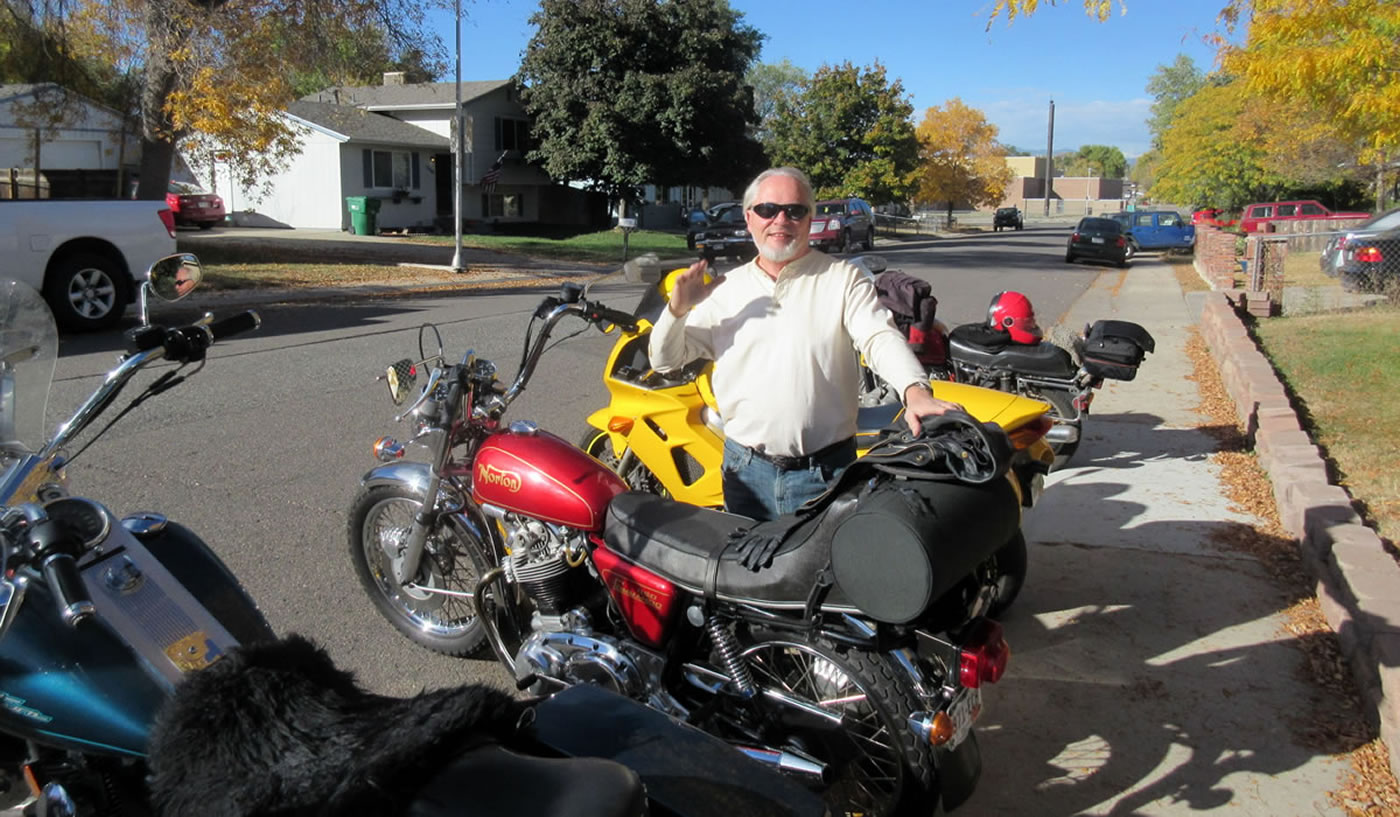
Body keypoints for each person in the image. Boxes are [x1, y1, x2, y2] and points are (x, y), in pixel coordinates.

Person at [648, 167, 961, 521]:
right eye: (768, 209)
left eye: (794, 210)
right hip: (745, 474)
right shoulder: (725, 291)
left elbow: (878, 336)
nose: (780, 219)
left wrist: (915, 391)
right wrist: (677, 310)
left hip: (826, 474)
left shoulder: (842, 279)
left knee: (822, 575)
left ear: (810, 219)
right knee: (751, 574)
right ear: (749, 218)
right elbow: (665, 361)